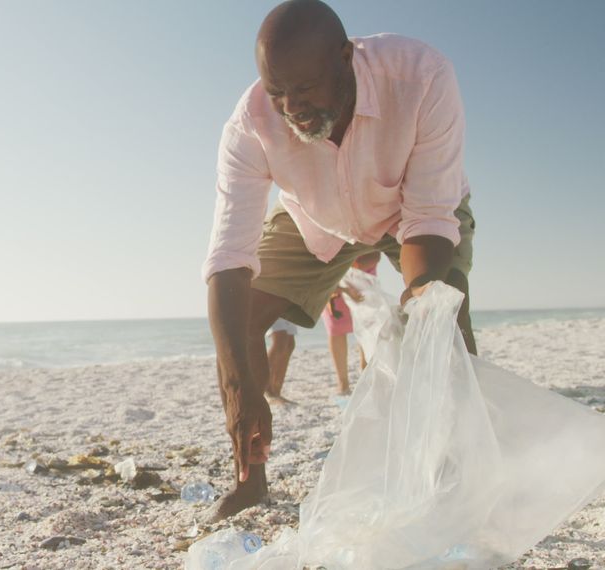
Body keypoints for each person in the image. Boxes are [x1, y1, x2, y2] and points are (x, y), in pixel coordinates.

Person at [203, 0, 478, 522]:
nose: (291, 107)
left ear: (346, 58)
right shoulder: (250, 124)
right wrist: (242, 390)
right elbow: (228, 259)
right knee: (243, 322)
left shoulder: (421, 76)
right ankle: (250, 481)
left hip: (413, 210)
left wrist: (421, 300)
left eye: (304, 89)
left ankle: (461, 470)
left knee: (446, 314)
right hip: (318, 217)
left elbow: (428, 218)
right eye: (277, 91)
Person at [321, 252, 380, 395]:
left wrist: (351, 267)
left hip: (363, 280)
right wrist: (343, 284)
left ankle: (366, 375)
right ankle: (343, 383)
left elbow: (376, 255)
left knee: (366, 327)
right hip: (333, 277)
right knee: (336, 328)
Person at [265, 319, 298, 405]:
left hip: (288, 306)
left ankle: (276, 392)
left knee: (289, 344)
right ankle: (266, 391)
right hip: (268, 305)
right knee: (280, 340)